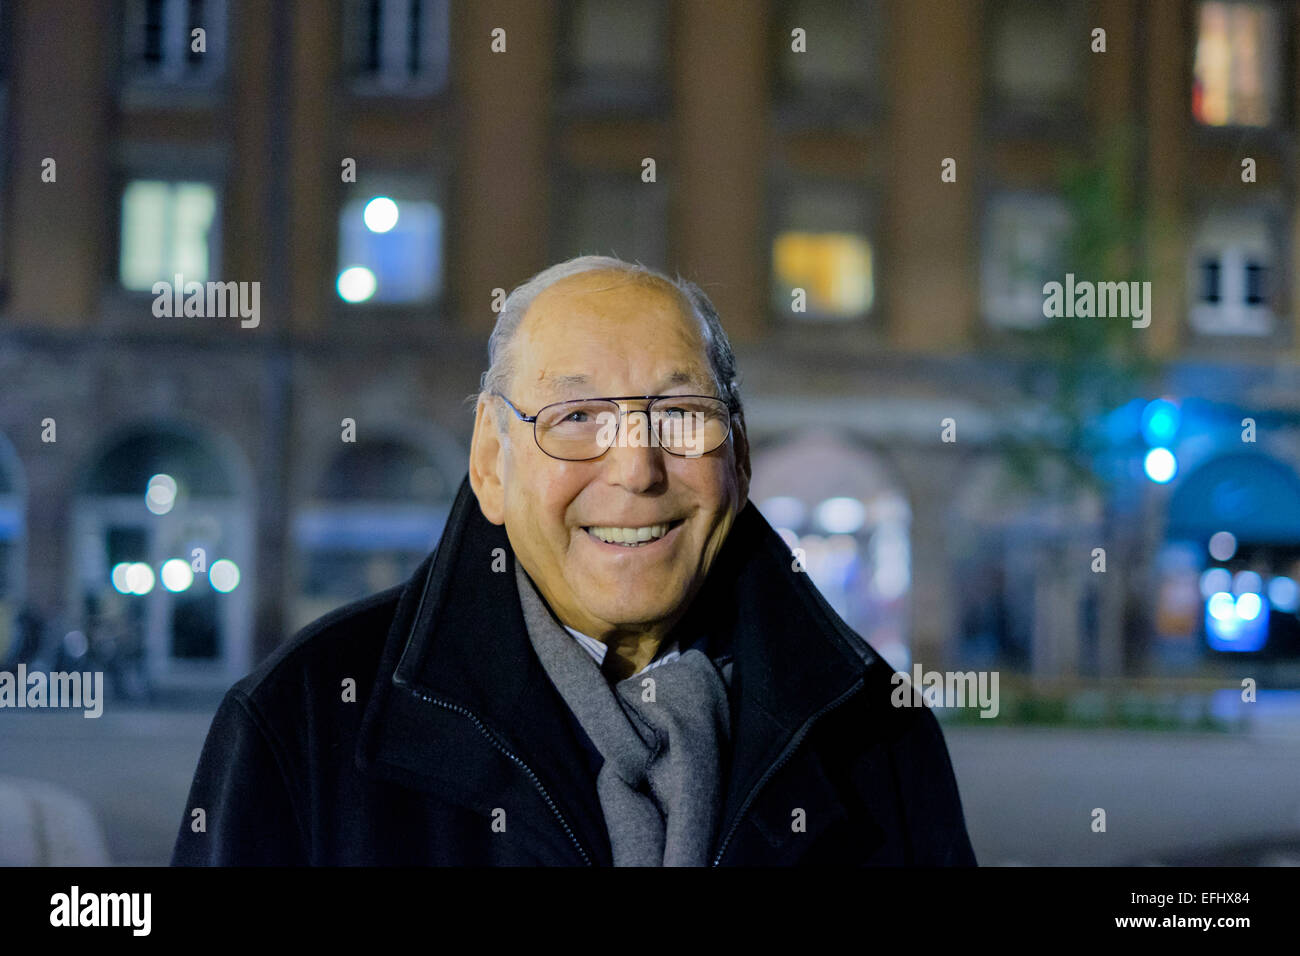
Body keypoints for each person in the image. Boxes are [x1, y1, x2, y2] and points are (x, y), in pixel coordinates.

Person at [171, 256, 977, 866]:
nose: (636, 468)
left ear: (739, 456)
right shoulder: (303, 723)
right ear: (491, 461)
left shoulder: (874, 731)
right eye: (578, 415)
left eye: (682, 412)